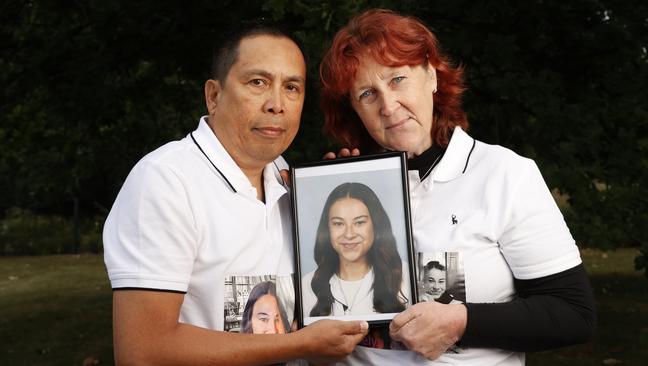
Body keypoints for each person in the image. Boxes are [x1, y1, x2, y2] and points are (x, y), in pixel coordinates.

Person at [319, 8, 596, 365]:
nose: (388, 106)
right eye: (367, 94)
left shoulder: (504, 174)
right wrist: (313, 201)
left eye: (397, 80)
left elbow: (574, 314)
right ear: (354, 109)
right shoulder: (343, 187)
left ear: (431, 75)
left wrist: (463, 322)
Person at [103, 21, 368, 365]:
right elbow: (143, 350)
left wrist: (339, 184)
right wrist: (301, 344)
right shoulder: (166, 181)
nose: (277, 104)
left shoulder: (287, 181)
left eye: (292, 87)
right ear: (214, 96)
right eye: (257, 82)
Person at [302, 182, 409, 318]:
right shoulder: (307, 284)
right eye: (338, 224)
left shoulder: (405, 276)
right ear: (327, 229)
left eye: (359, 222)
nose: (349, 234)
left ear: (376, 226)